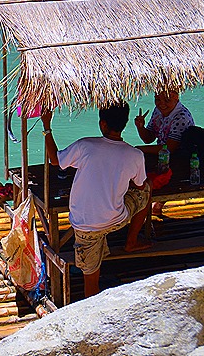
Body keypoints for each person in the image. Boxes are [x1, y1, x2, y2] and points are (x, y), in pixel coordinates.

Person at [41, 102, 152, 297]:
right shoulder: (135, 155)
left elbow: (55, 159)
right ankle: (131, 241)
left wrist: (47, 127)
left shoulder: (85, 146)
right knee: (146, 191)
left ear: (102, 124)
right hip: (116, 219)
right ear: (125, 123)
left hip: (85, 227)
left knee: (90, 282)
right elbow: (141, 186)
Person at [134, 90, 195, 155]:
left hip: (178, 157)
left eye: (167, 100)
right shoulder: (158, 110)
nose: (162, 104)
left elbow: (169, 148)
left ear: (176, 98)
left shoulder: (181, 118)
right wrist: (140, 127)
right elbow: (148, 139)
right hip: (162, 155)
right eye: (158, 100)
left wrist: (138, 149)